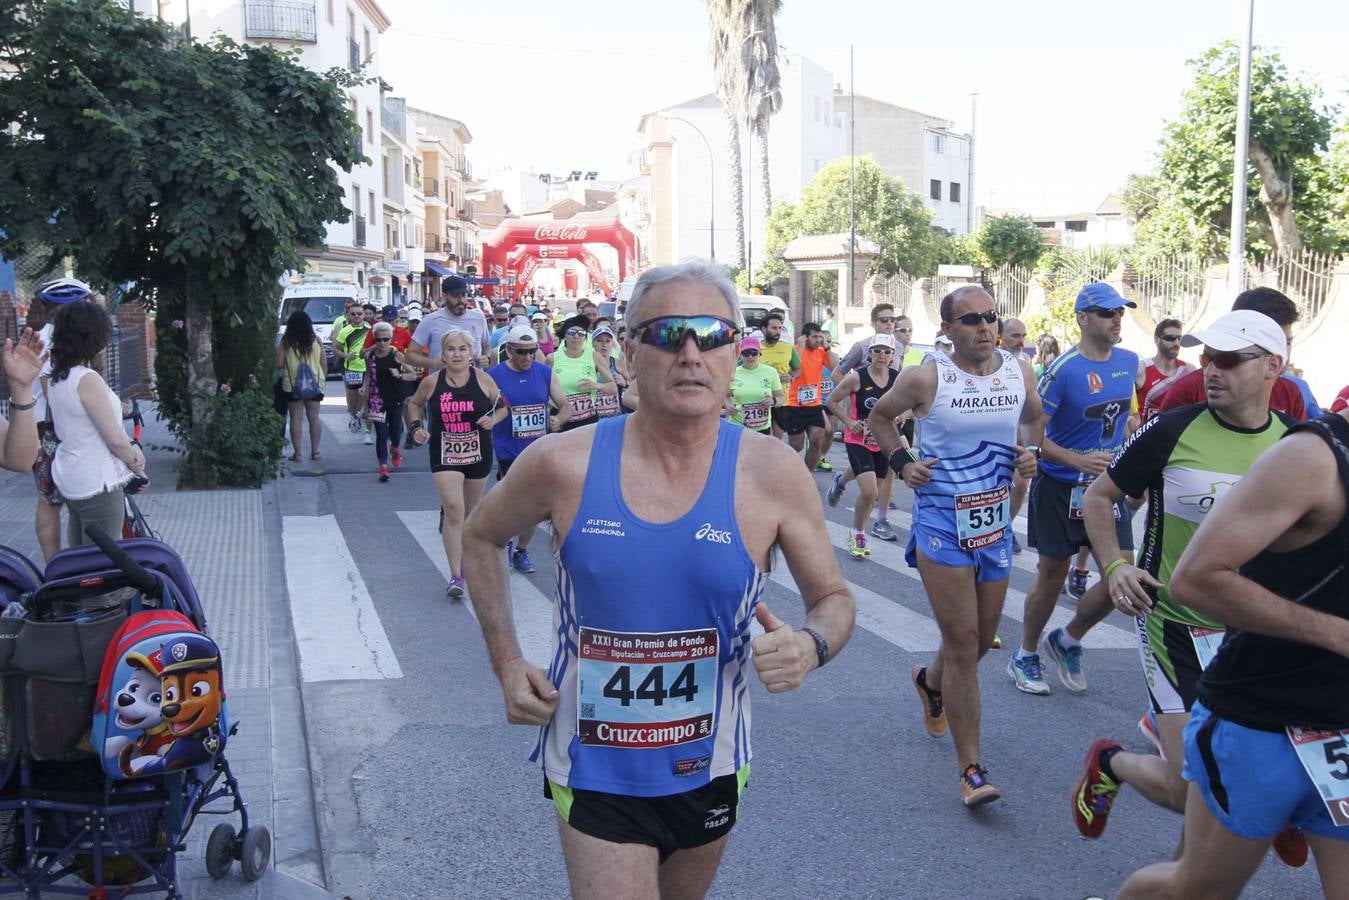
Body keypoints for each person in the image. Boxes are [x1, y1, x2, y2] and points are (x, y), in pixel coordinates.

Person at [460, 259, 855, 898]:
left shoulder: (774, 473)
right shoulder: (563, 463)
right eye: (670, 334)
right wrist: (506, 662)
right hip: (593, 762)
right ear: (631, 349)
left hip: (713, 759)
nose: (692, 354)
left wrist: (811, 646)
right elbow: (479, 536)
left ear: (735, 352)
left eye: (712, 334)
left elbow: (834, 598)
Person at [1071, 311, 1300, 855]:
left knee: (1238, 783)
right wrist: (1115, 567)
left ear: (1273, 367)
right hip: (1175, 627)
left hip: (1256, 635)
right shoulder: (1173, 428)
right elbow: (1099, 498)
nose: (1210, 370)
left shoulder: (1298, 446)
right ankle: (1112, 762)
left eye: (1227, 359)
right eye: (1207, 358)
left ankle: (1277, 813)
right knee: (1192, 793)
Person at [1114, 405, 1349, 898]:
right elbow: (1196, 579)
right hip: (1260, 722)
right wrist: (1335, 634)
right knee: (1196, 889)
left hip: (1341, 731)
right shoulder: (1312, 457)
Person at [868, 286, 1042, 806]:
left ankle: (931, 682)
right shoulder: (928, 376)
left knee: (981, 639)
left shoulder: (1018, 369)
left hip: (993, 524)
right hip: (942, 523)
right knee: (965, 644)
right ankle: (971, 770)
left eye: (990, 317)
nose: (984, 327)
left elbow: (1032, 416)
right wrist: (903, 464)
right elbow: (880, 417)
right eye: (969, 320)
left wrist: (1029, 454)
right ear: (947, 330)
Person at [1013, 283, 1141, 697]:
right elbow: (1033, 432)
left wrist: (1129, 450)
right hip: (1059, 486)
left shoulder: (1128, 361)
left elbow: (1128, 419)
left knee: (1123, 575)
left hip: (1105, 490)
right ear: (1083, 319)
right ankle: (1026, 653)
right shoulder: (1063, 370)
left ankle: (1068, 637)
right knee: (1052, 576)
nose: (1116, 319)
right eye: (1107, 313)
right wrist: (1075, 460)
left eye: (1120, 312)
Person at [405, 329, 507, 600]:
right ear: (443, 353)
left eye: (463, 349)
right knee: (453, 511)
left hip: (477, 452)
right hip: (444, 452)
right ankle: (456, 575)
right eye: (451, 349)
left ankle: (472, 564)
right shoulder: (432, 382)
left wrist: (492, 420)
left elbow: (503, 407)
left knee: (471, 514)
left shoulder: (483, 380)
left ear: (471, 353)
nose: (457, 354)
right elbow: (413, 404)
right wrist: (416, 428)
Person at [47, 302, 145, 548]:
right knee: (105, 563)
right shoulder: (87, 379)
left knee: (80, 554)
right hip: (97, 482)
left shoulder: (59, 376)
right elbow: (113, 439)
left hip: (72, 474)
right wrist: (136, 463)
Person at [1148, 287, 1306, 421]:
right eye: (1207, 359)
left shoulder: (1291, 393)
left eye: (1286, 343)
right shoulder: (1187, 391)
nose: (1211, 372)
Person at [487, 324, 571, 573]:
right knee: (512, 501)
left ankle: (521, 550)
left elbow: (565, 404)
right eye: (521, 352)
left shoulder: (544, 373)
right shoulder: (494, 375)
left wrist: (559, 419)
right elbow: (485, 407)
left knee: (533, 505)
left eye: (531, 351)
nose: (527, 357)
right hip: (507, 448)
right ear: (509, 350)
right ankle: (502, 541)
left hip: (537, 449)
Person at [826, 333, 904, 559]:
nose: (881, 355)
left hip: (883, 440)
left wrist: (902, 415)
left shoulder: (897, 379)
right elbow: (831, 400)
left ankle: (840, 480)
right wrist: (850, 422)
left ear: (892, 356)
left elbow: (910, 405)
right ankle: (857, 533)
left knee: (874, 488)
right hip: (857, 438)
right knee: (869, 491)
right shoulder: (856, 378)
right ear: (869, 354)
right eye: (877, 351)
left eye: (886, 351)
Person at [27, 278, 86, 560]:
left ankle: (58, 570)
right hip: (49, 432)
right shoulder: (48, 343)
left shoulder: (61, 339)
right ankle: (55, 570)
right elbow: (57, 396)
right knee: (51, 501)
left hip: (53, 430)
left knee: (52, 501)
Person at [781, 323, 837, 471]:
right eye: (814, 337)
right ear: (805, 338)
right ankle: (786, 469)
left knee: (817, 440)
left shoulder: (821, 351)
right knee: (797, 446)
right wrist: (799, 347)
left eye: (820, 337)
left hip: (814, 404)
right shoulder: (795, 350)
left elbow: (835, 368)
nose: (818, 340)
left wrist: (827, 347)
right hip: (795, 405)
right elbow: (794, 367)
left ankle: (808, 474)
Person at [407, 275, 492, 371]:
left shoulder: (479, 318)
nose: (461, 300)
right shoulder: (430, 320)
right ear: (444, 296)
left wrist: (486, 357)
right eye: (455, 296)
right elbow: (410, 355)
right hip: (441, 382)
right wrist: (433, 363)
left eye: (464, 295)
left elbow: (486, 345)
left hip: (473, 382)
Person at [362, 321, 411, 482]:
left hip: (395, 398)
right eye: (378, 340)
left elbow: (413, 375)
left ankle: (395, 448)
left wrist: (400, 374)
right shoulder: (370, 356)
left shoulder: (397, 355)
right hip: (377, 399)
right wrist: (364, 388)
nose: (382, 343)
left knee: (396, 431)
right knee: (381, 434)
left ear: (391, 339)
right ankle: (383, 467)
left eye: (385, 339)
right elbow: (369, 375)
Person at [548, 315, 615, 431]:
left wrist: (597, 385)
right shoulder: (552, 358)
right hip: (561, 419)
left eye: (581, 333)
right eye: (572, 332)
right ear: (565, 335)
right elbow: (544, 389)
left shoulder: (594, 356)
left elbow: (612, 387)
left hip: (587, 419)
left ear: (585, 337)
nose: (576, 336)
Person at [1000, 317, 1033, 554]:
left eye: (1023, 335)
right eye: (1015, 335)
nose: (1020, 341)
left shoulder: (1026, 362)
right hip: (996, 433)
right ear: (1000, 336)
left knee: (1020, 486)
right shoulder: (990, 360)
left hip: (1019, 433)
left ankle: (1006, 528)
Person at [277, 311, 326, 462]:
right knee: (314, 418)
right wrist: (322, 380)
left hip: (292, 385)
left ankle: (297, 453)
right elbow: (323, 363)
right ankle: (315, 451)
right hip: (315, 385)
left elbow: (278, 363)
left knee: (296, 419)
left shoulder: (286, 342)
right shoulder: (316, 340)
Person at [724, 334, 783, 433]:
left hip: (762, 428)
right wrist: (728, 406)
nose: (750, 356)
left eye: (754, 352)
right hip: (738, 427)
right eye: (746, 353)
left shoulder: (771, 372)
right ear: (740, 355)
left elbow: (781, 397)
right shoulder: (733, 372)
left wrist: (773, 401)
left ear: (760, 353)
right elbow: (724, 395)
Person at [1137, 318, 1192, 419]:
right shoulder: (1141, 369)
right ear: (1157, 340)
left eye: (1179, 338)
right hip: (1147, 433)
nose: (1176, 343)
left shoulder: (1188, 370)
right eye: (1171, 338)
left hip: (1176, 432)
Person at [331, 302, 371, 439]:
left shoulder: (370, 329)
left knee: (366, 397)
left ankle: (367, 430)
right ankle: (355, 416)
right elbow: (335, 348)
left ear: (364, 315)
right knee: (353, 399)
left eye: (359, 314)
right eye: (353, 314)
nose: (356, 316)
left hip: (368, 369)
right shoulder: (344, 331)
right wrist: (346, 355)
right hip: (352, 369)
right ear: (349, 315)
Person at [759, 312, 800, 439]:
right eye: (773, 328)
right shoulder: (754, 349)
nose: (777, 331)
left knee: (776, 439)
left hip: (781, 400)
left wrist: (792, 377)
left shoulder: (788, 348)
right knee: (760, 438)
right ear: (764, 329)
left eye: (779, 328)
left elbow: (798, 369)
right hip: (759, 399)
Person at [591, 325, 628, 418]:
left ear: (612, 343)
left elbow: (635, 386)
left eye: (608, 341)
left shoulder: (618, 363)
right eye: (599, 341)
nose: (604, 345)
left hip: (615, 415)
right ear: (592, 343)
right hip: (593, 418)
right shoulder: (587, 364)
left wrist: (625, 383)